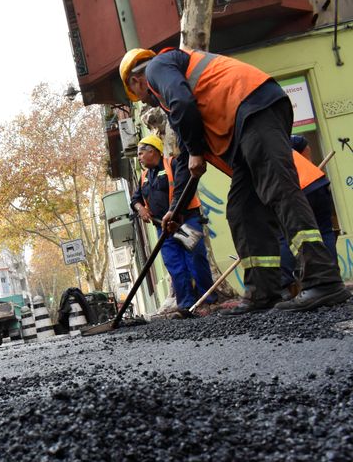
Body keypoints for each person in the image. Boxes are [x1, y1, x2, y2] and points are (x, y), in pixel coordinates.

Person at [120, 47, 349, 314]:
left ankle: (323, 280)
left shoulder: (158, 67)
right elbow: (185, 162)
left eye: (138, 96)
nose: (145, 102)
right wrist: (177, 210)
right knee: (242, 209)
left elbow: (183, 108)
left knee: (279, 191)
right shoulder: (179, 104)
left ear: (136, 81)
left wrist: (195, 151)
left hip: (254, 107)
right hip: (244, 127)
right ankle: (263, 292)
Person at [130, 134, 216, 314]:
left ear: (152, 151)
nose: (138, 157)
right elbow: (136, 199)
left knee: (196, 259)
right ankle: (186, 305)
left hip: (185, 222)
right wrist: (141, 209)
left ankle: (208, 300)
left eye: (140, 153)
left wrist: (174, 213)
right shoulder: (144, 176)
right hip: (164, 229)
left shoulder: (174, 164)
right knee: (175, 265)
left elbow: (182, 190)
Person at [278, 136, 339, 298]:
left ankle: (285, 287)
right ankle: (333, 280)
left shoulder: (251, 151)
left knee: (283, 236)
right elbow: (301, 142)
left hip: (296, 190)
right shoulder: (276, 139)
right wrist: (308, 166)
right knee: (325, 232)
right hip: (317, 182)